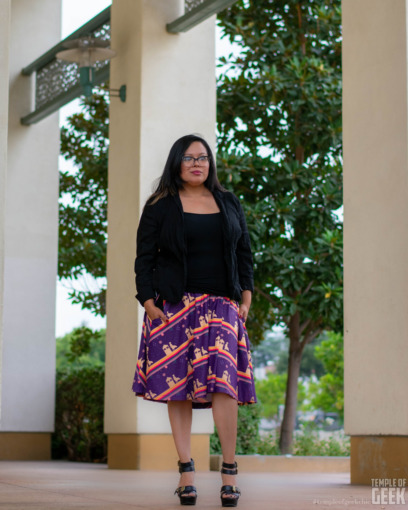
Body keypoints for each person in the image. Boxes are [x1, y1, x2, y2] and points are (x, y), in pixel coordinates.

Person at [132, 134, 256, 508]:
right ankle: (186, 471)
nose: (196, 163)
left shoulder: (229, 202)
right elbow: (143, 258)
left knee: (225, 387)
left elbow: (244, 251)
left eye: (202, 158)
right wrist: (150, 303)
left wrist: (246, 295)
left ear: (210, 163)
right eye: (188, 158)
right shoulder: (160, 206)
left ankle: (229, 470)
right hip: (174, 307)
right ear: (176, 163)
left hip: (222, 306)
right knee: (178, 387)